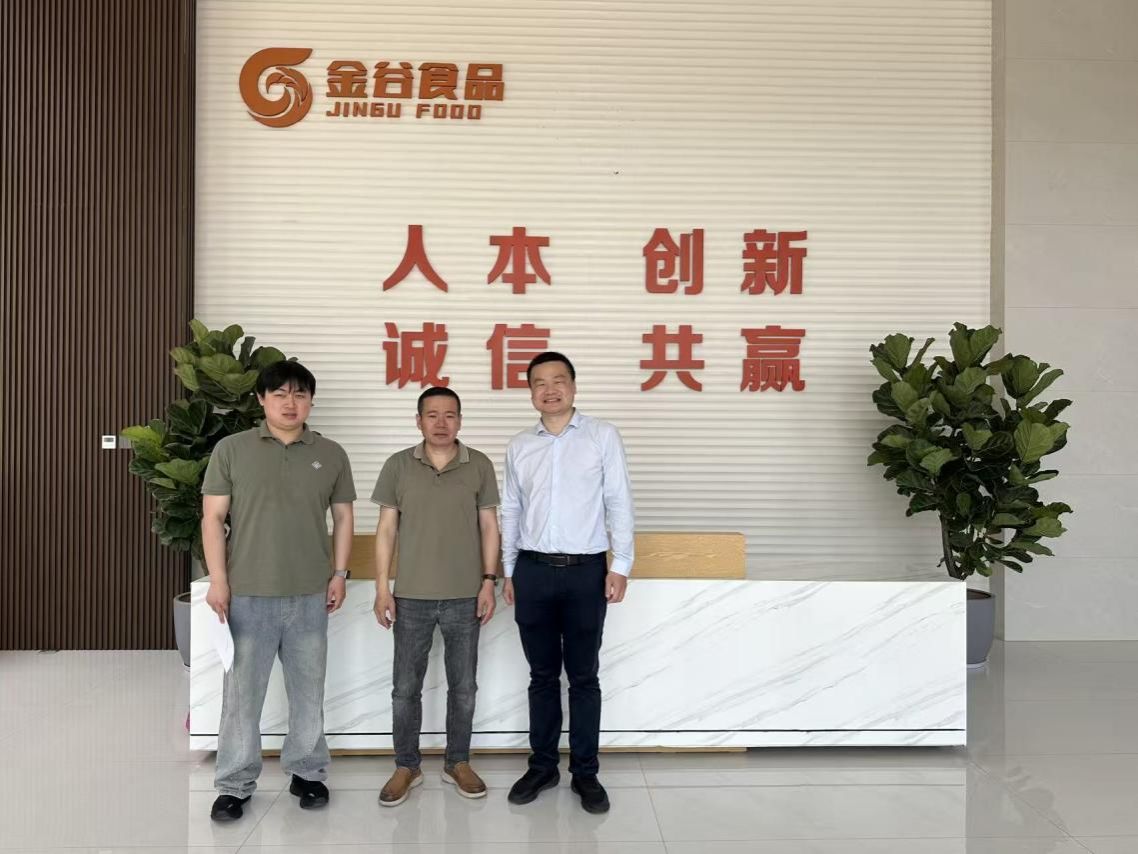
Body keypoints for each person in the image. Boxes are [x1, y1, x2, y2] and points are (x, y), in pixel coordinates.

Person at [201, 360, 356, 822]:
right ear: (262, 400)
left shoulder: (330, 453)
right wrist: (219, 580)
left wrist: (340, 573)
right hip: (248, 593)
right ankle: (234, 784)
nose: (291, 403)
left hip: (310, 593)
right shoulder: (232, 450)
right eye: (280, 394)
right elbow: (213, 518)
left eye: (300, 394)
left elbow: (343, 517)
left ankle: (307, 773)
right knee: (242, 697)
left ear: (311, 401)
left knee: (308, 692)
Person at [501, 352, 634, 814]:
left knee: (583, 676)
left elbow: (618, 499)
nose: (550, 389)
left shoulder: (601, 436)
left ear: (573, 387)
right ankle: (542, 766)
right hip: (532, 570)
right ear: (531, 392)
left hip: (586, 572)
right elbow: (511, 509)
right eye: (540, 382)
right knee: (540, 676)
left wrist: (621, 564)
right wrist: (509, 569)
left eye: (559, 380)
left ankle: (585, 772)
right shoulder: (520, 445)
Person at [371, 387, 501, 806]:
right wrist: (382, 588)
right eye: (432, 415)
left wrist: (488, 581)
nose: (441, 423)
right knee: (404, 689)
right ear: (418, 421)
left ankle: (457, 762)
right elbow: (386, 530)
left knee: (463, 688)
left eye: (450, 415)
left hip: (466, 595)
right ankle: (406, 766)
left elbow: (489, 527)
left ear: (460, 420)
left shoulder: (479, 464)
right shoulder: (398, 465)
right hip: (411, 597)